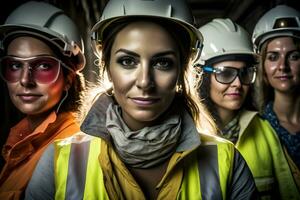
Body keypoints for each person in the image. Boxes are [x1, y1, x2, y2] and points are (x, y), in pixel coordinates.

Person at [26, 0, 258, 199]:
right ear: (106, 67)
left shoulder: (226, 162)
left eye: (163, 62)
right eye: (127, 61)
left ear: (181, 70)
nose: (145, 81)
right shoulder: (59, 163)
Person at [197, 17, 292, 199]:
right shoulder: (186, 136)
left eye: (245, 72)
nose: (238, 84)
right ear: (202, 76)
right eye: (225, 73)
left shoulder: (264, 131)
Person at [0, 1, 86, 199]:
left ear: (69, 80)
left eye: (43, 66)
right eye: (14, 65)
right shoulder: (18, 143)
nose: (25, 80)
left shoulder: (71, 150)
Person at [252, 5, 300, 199]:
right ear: (263, 65)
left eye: (294, 56)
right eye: (273, 57)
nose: (283, 66)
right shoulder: (257, 126)